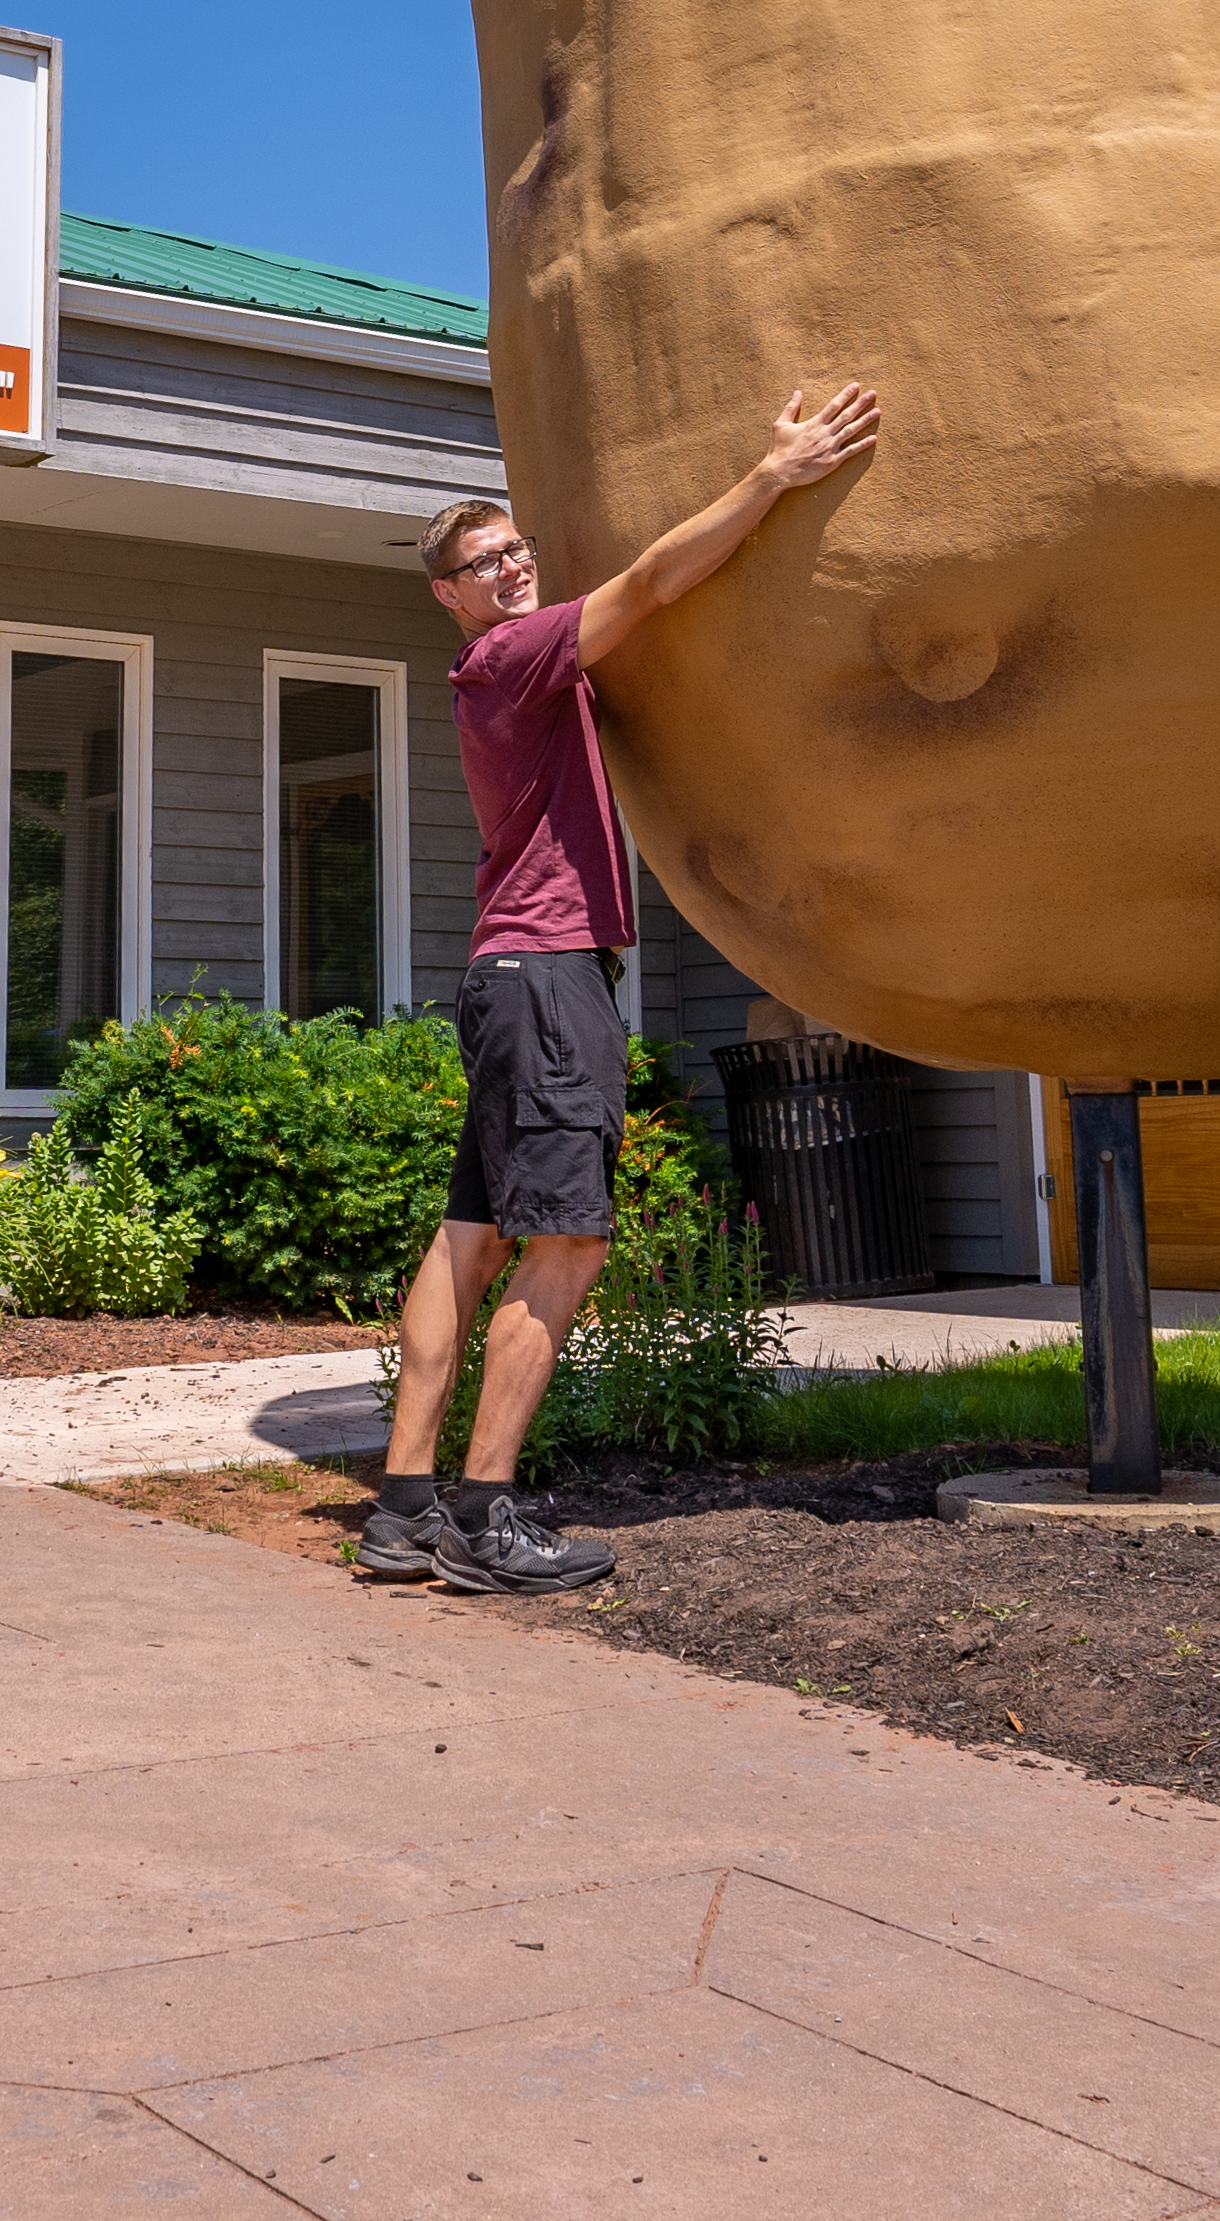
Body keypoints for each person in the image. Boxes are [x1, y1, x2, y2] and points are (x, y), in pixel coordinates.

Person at [365, 381, 886, 1594]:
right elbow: (652, 581)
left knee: (468, 1242)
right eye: (483, 562)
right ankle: (484, 1514)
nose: (510, 568)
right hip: (548, 981)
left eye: (516, 550)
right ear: (448, 596)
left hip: (511, 976)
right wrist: (778, 474)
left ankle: (400, 1508)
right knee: (569, 1248)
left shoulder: (527, 668)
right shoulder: (509, 654)